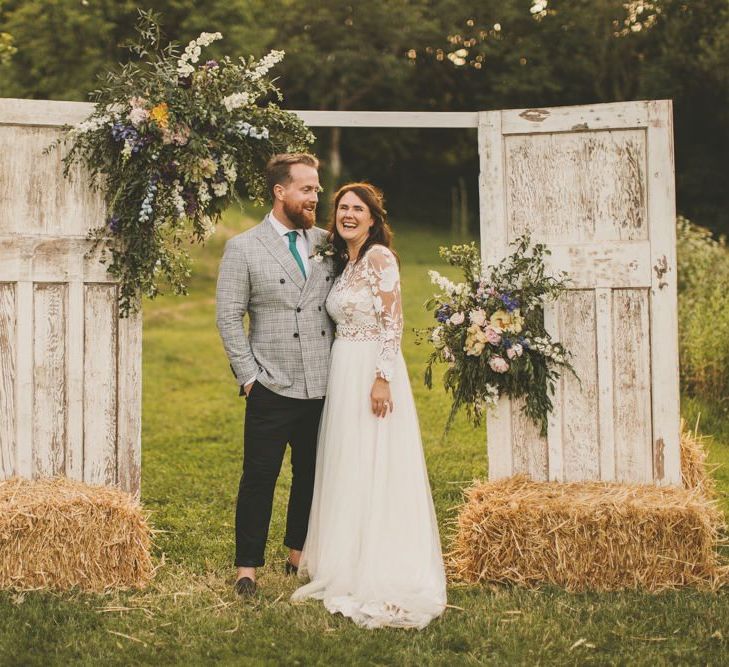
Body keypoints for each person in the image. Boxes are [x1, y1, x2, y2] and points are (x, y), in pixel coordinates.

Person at [291, 183, 447, 629]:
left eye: (358, 209)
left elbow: (393, 322)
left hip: (370, 371)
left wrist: (383, 378)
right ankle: (346, 555)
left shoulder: (380, 258)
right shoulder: (346, 263)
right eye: (342, 208)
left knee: (376, 459)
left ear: (374, 219)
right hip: (343, 368)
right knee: (349, 461)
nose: (349, 215)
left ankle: (382, 560)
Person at [216, 153, 335, 598]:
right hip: (271, 383)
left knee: (311, 473)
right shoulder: (244, 247)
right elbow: (229, 317)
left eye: (317, 189)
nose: (315, 197)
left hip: (323, 383)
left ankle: (297, 555)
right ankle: (247, 568)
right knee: (259, 476)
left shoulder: (328, 243)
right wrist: (250, 377)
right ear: (280, 191)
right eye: (306, 188)